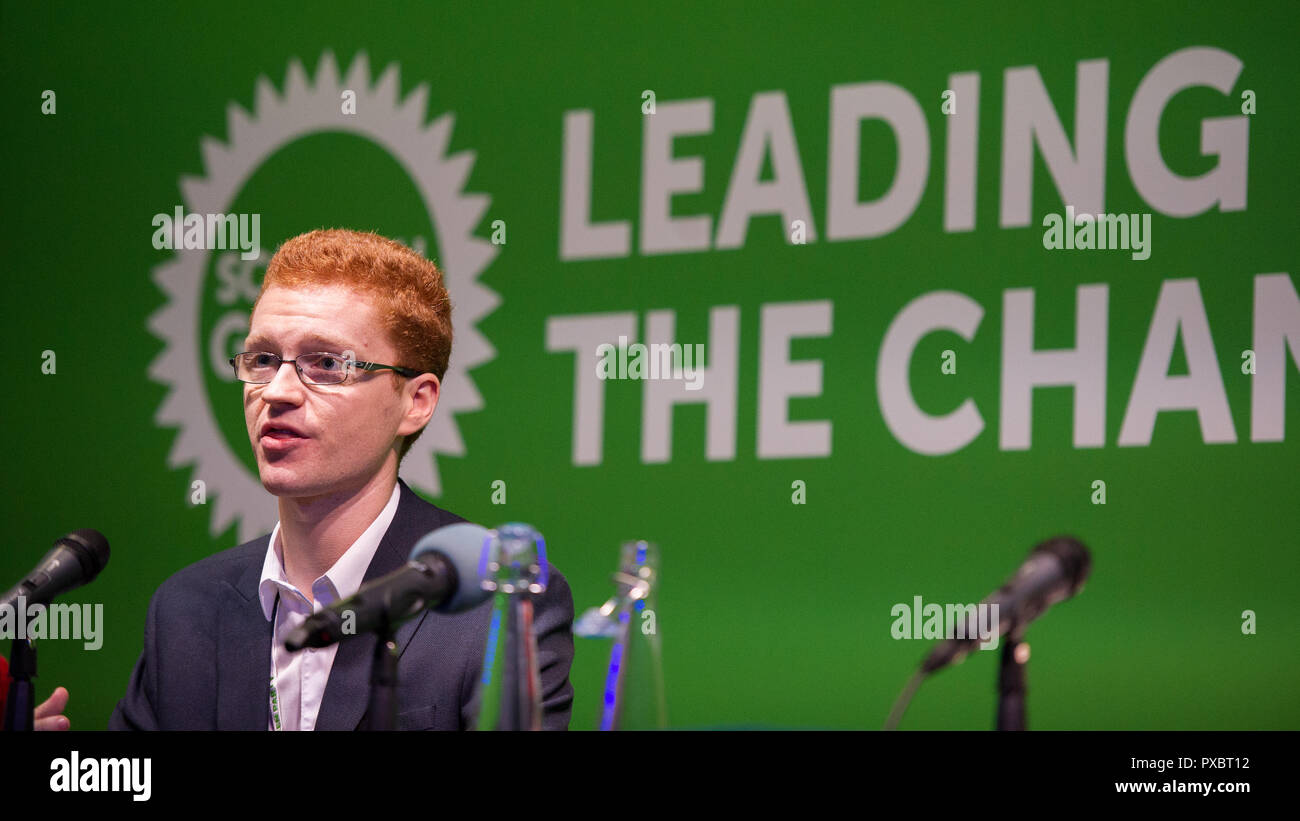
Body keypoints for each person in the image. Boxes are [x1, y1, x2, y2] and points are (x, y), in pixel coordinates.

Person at [81, 228, 572, 730]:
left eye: (327, 364)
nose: (277, 391)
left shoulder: (494, 606)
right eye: (263, 360)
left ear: (416, 401)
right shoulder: (187, 610)